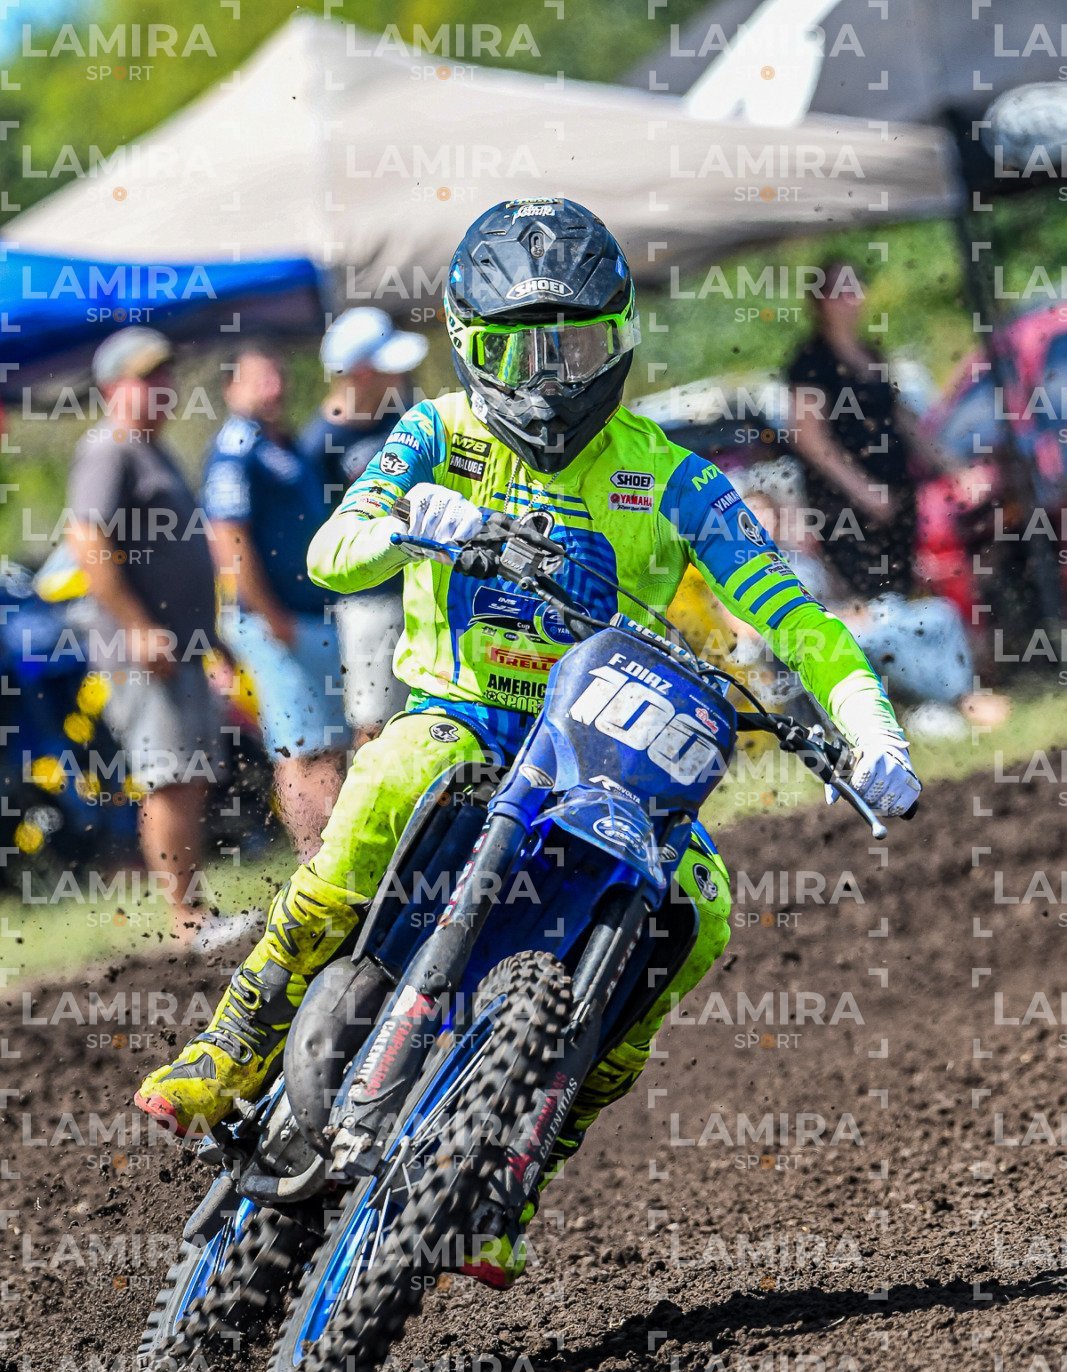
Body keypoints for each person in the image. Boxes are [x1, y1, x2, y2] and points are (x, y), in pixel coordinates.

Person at [136, 199, 921, 1288]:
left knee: (699, 910)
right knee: (388, 783)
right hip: (460, 714)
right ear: (472, 345)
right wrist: (413, 520)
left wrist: (868, 725)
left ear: (621, 340)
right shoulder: (435, 433)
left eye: (577, 347)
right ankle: (229, 1046)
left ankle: (518, 1164)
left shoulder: (674, 477)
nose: (549, 379)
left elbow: (797, 617)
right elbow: (329, 553)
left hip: (601, 749)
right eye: (520, 351)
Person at [60, 326, 251, 950]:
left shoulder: (154, 450)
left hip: (181, 647)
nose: (162, 387)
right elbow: (88, 541)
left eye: (165, 374)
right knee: (168, 777)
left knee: (190, 776)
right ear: (112, 388)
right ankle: (187, 922)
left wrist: (211, 638)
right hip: (143, 653)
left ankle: (197, 915)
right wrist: (141, 630)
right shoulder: (109, 449)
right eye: (146, 377)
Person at [203, 346, 348, 858]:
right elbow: (228, 535)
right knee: (302, 747)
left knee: (327, 743)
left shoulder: (278, 442)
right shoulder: (236, 447)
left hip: (307, 617)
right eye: (260, 378)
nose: (275, 387)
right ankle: (315, 860)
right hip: (276, 622)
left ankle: (332, 859)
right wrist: (271, 615)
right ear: (231, 387)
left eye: (278, 375)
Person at [299, 309, 427, 744]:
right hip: (366, 603)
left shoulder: (404, 422)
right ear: (361, 374)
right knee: (375, 722)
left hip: (418, 588)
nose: (401, 375)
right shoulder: (317, 444)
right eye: (387, 367)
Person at [787, 259, 949, 602]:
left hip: (896, 497)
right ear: (820, 301)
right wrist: (865, 492)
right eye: (840, 290)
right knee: (870, 601)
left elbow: (898, 416)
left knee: (905, 595)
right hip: (845, 509)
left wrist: (950, 465)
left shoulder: (871, 353)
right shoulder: (811, 362)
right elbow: (809, 438)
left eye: (855, 287)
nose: (851, 297)